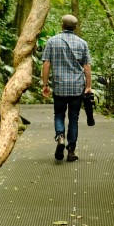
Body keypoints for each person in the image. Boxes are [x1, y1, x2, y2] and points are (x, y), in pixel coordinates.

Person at [40, 14, 92, 162]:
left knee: (59, 114)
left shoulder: (52, 41)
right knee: (74, 118)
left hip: (60, 86)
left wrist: (45, 84)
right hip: (77, 87)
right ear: (75, 27)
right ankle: (71, 151)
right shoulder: (82, 43)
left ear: (62, 25)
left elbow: (46, 64)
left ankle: (60, 137)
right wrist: (88, 86)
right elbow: (87, 66)